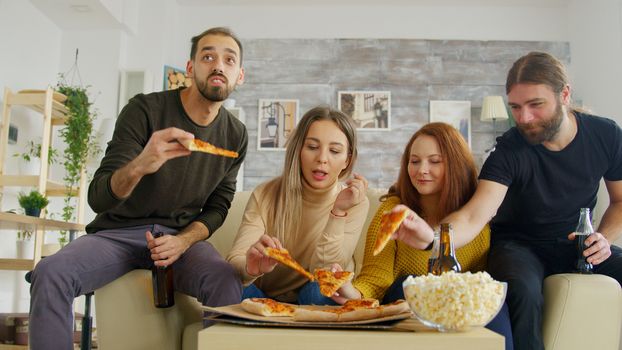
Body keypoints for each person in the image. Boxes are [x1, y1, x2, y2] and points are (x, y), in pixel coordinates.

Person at [28, 27, 248, 350]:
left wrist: (183, 241)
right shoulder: (144, 110)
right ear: (190, 68)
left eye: (229, 60)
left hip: (178, 238)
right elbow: (98, 196)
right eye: (208, 56)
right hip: (118, 233)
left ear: (239, 76)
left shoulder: (235, 135)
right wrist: (141, 164)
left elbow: (219, 206)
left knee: (224, 279)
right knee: (50, 273)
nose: (218, 65)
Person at [388, 52, 622, 350]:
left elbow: (619, 201)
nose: (524, 118)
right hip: (519, 247)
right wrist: (432, 238)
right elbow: (474, 215)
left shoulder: (607, 135)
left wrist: (603, 238)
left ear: (564, 94)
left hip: (577, 243)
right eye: (515, 107)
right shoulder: (510, 149)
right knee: (522, 291)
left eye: (535, 105)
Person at [332, 122, 513, 349]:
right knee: (407, 286)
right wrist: (350, 290)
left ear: (456, 165)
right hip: (409, 308)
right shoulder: (392, 212)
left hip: (463, 313)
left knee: (494, 298)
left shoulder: (479, 215)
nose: (421, 170)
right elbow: (376, 280)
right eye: (414, 161)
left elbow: (480, 286)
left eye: (434, 161)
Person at [226, 106, 369, 305]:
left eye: (335, 151)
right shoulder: (265, 194)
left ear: (348, 159)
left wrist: (338, 212)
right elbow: (235, 261)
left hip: (316, 296)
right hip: (265, 297)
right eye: (312, 147)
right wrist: (251, 268)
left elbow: (326, 273)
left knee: (317, 291)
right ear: (298, 150)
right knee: (228, 282)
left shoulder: (355, 202)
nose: (322, 158)